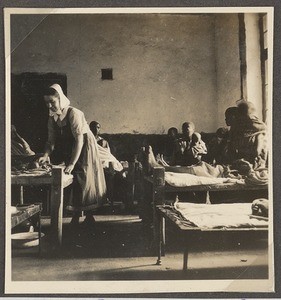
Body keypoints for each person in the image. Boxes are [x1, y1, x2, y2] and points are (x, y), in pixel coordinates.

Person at [38, 84, 106, 227]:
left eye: (52, 102)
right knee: (72, 178)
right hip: (71, 147)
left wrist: (72, 163)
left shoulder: (73, 113)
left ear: (60, 99)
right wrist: (45, 155)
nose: (49, 106)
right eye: (46, 103)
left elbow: (79, 140)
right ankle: (75, 215)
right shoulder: (52, 118)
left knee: (83, 176)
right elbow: (51, 141)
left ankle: (89, 215)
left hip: (85, 145)